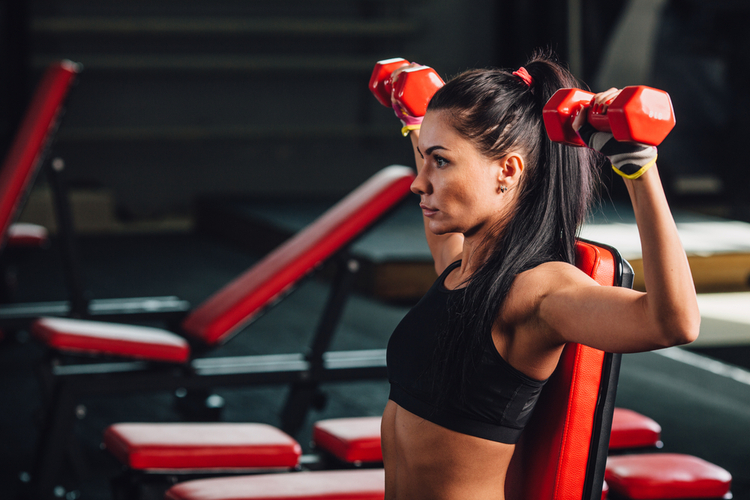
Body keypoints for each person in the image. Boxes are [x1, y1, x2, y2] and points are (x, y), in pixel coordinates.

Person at [380, 51, 700, 500]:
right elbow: (444, 232)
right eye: (423, 158)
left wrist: (638, 168)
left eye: (441, 161)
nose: (419, 182)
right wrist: (418, 121)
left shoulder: (539, 290)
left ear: (508, 171)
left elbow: (675, 323)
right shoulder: (462, 266)